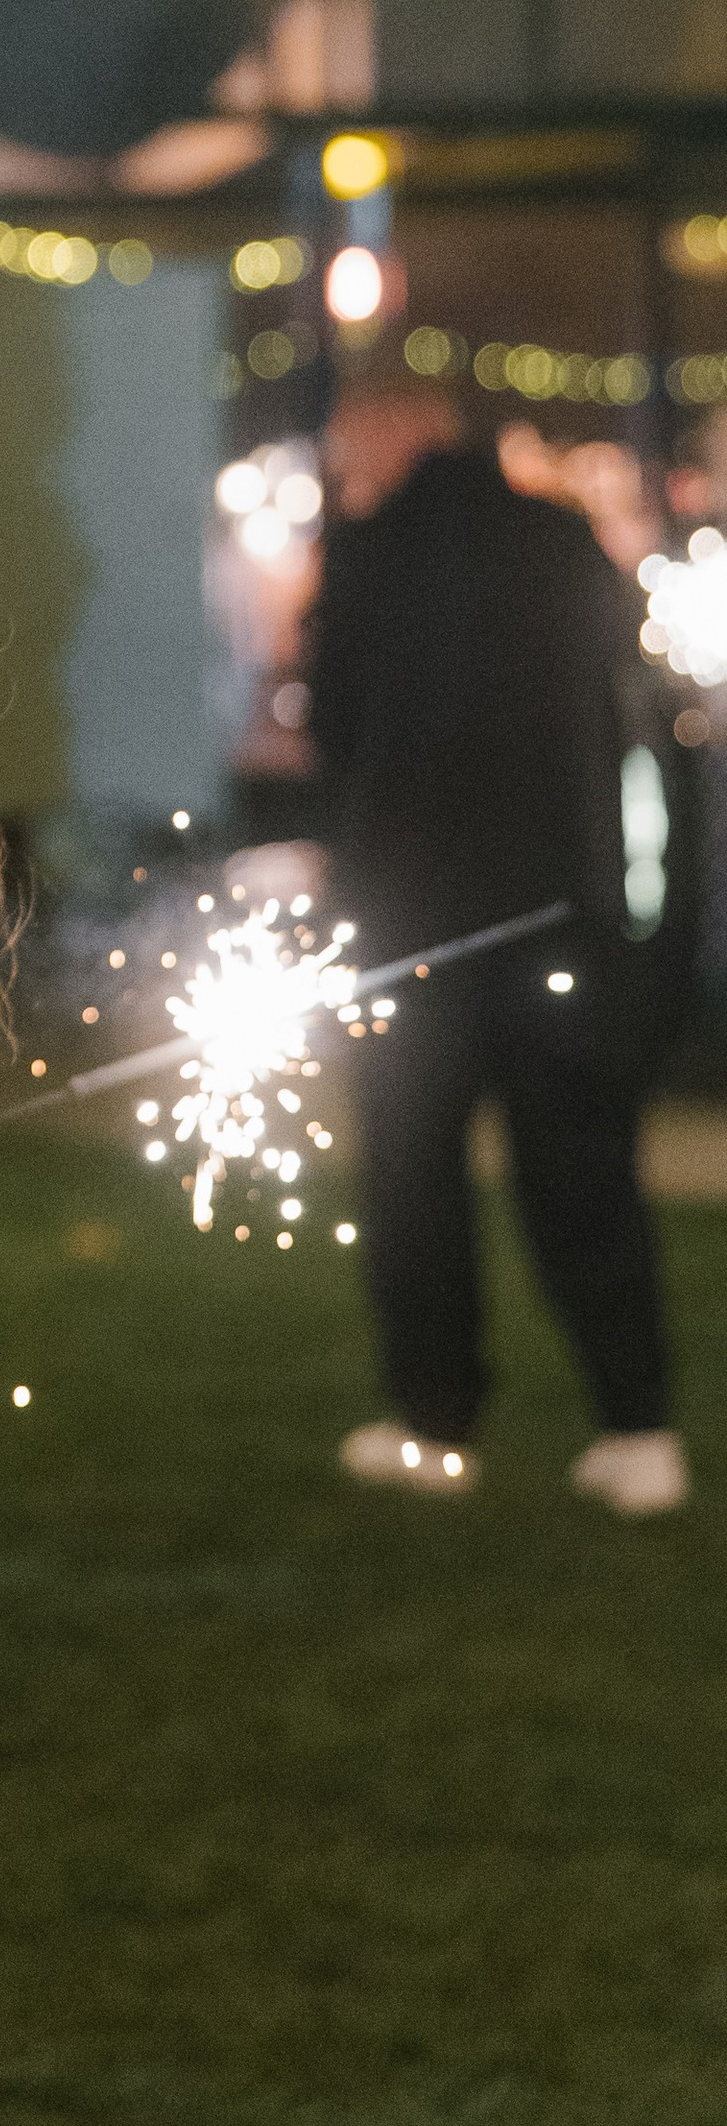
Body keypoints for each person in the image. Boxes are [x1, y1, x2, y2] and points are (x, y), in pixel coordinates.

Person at [310, 374, 686, 1514]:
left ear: (393, 431)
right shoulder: (563, 542)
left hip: (412, 923)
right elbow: (628, 697)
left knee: (415, 1175)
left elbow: (333, 725)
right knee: (581, 1168)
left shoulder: (370, 556)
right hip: (558, 912)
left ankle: (435, 1417)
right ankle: (637, 1429)